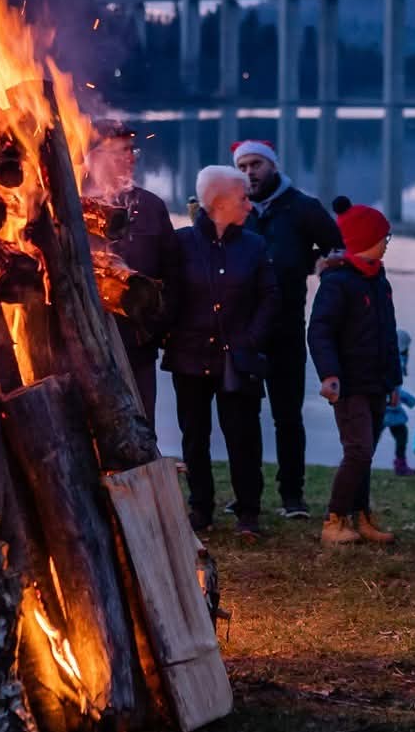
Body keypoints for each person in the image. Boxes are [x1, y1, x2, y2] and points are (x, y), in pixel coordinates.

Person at [163, 166, 277, 538]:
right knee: (194, 436)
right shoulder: (180, 245)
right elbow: (167, 295)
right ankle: (201, 508)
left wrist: (252, 339)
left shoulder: (254, 246)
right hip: (190, 356)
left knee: (243, 436)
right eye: (243, 197)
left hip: (239, 358)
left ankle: (248, 512)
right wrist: (167, 333)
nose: (250, 204)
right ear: (221, 201)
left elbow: (269, 297)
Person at [234, 139, 344, 519]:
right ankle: (246, 493)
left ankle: (292, 496)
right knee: (244, 417)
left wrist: (307, 263)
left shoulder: (303, 207)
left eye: (256, 165)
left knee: (288, 416)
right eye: (244, 166)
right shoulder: (237, 208)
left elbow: (337, 247)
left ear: (273, 166)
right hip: (245, 330)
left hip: (286, 329)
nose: (250, 173)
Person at [308, 198, 399, 545]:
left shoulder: (379, 280)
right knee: (358, 450)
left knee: (366, 452)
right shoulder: (338, 282)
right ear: (365, 239)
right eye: (384, 237)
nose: (387, 243)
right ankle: (333, 520)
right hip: (348, 384)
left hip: (377, 381)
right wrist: (329, 374)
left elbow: (388, 332)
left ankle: (361, 518)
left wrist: (394, 380)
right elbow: (319, 331)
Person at [85, 119, 175, 418]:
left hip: (137, 346)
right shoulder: (71, 205)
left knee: (141, 425)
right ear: (95, 156)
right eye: (122, 151)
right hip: (84, 350)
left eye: (132, 149)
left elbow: (171, 274)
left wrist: (154, 327)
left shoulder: (150, 206)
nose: (132, 156)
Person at [385, 364, 415, 479]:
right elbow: (409, 399)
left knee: (371, 440)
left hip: (382, 416)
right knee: (401, 438)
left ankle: (355, 463)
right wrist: (411, 401)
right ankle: (400, 466)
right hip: (393, 417)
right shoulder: (394, 386)